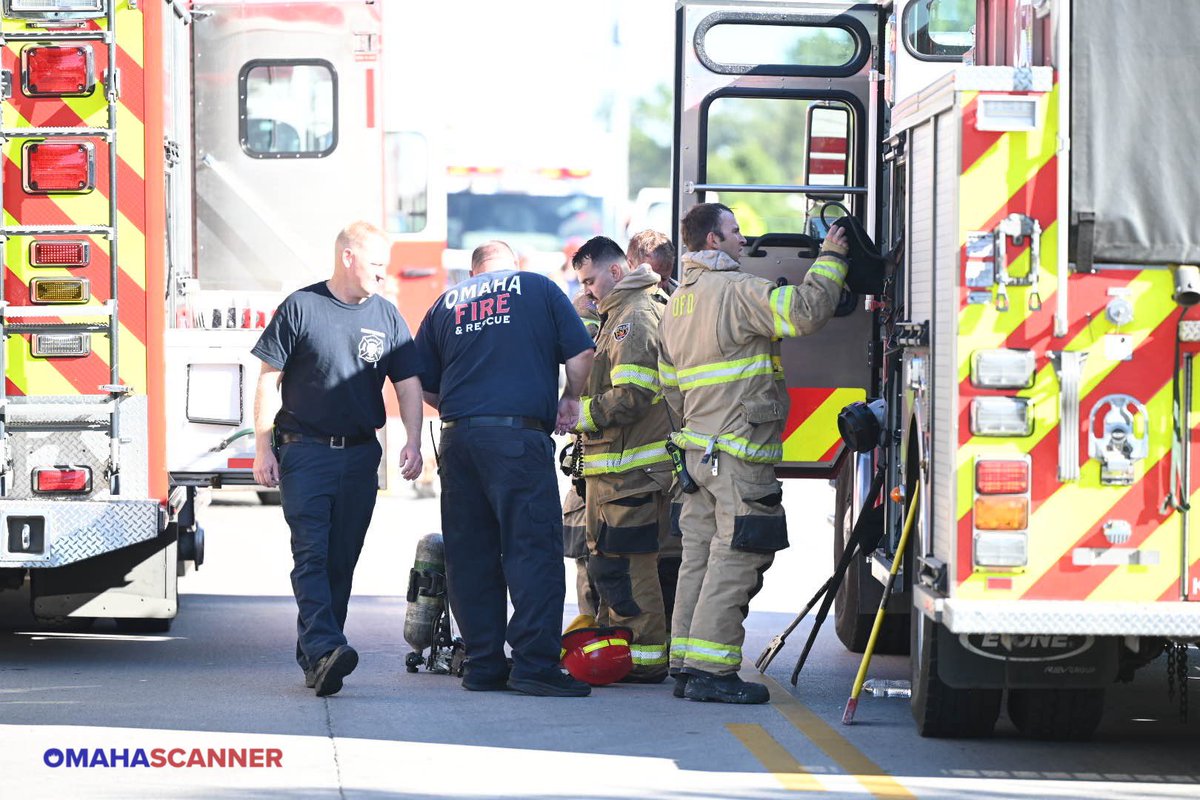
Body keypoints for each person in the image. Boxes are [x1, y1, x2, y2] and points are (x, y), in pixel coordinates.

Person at [659, 203, 850, 704]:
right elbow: (805, 312)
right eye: (735, 232)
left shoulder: (678, 303)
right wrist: (830, 257)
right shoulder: (737, 291)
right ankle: (711, 671)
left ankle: (685, 661)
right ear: (712, 242)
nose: (744, 240)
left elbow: (670, 388)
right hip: (739, 452)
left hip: (699, 452)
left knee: (699, 553)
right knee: (739, 551)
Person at [414, 240, 596, 697]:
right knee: (531, 548)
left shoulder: (444, 303)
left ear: (475, 271)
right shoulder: (536, 287)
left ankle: (483, 664)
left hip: (458, 439)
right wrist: (570, 398)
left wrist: (466, 406)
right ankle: (534, 665)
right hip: (516, 439)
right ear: (509, 266)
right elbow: (582, 355)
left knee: (470, 554)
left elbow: (421, 383)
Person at [252, 221, 424, 697]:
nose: (383, 275)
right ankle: (328, 643)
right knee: (311, 552)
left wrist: (413, 440)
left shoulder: (388, 317)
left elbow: (407, 383)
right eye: (375, 265)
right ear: (348, 258)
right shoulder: (302, 307)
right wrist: (263, 447)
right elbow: (270, 377)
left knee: (340, 562)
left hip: (358, 457)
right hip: (304, 452)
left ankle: (317, 657)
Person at [572, 235, 673, 683]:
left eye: (591, 280)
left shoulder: (635, 316)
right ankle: (622, 651)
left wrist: (580, 415)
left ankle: (647, 660)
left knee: (632, 565)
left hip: (631, 469)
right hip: (614, 469)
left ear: (616, 272)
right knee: (609, 565)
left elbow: (633, 396)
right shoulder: (616, 314)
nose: (588, 290)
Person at [626, 229, 683, 621]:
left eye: (666, 275)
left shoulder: (684, 301)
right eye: (653, 274)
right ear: (631, 265)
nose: (660, 283)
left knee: (674, 554)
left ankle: (663, 643)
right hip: (629, 454)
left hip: (675, 448)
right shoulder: (606, 304)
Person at [562, 291, 601, 619]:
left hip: (590, 471)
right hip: (589, 469)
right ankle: (595, 635)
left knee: (589, 560)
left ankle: (593, 634)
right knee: (590, 558)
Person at [627, 229, 678, 295]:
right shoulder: (614, 298)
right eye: (651, 278)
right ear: (629, 266)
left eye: (664, 279)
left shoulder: (679, 295)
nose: (658, 286)